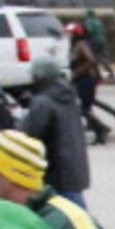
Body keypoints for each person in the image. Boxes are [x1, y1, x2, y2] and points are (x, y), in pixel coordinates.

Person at [18, 55, 92, 209]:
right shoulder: (69, 96)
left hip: (56, 170)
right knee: (77, 210)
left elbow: (29, 134)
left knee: (69, 215)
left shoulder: (43, 102)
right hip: (73, 167)